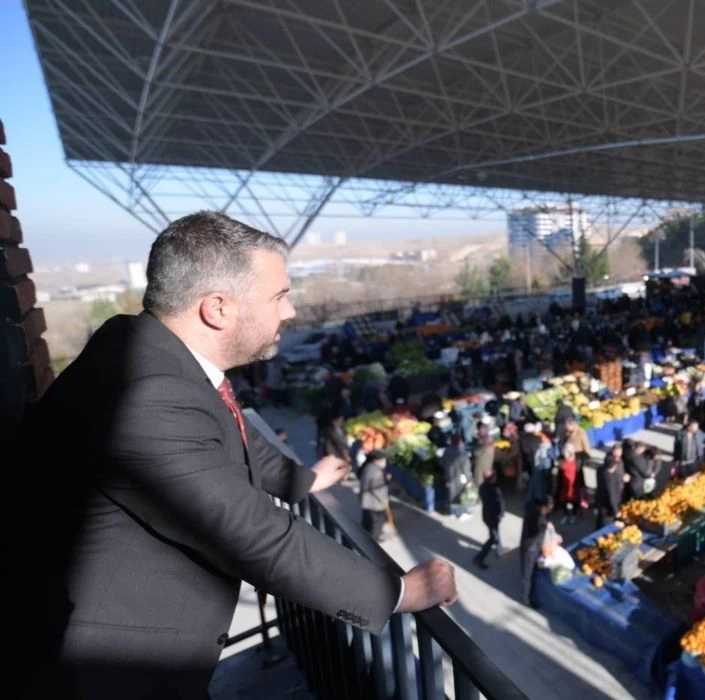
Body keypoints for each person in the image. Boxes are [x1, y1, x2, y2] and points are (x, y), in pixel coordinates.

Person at [15, 212, 456, 699]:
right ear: (218, 308)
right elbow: (256, 536)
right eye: (279, 296)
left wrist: (302, 481)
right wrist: (398, 592)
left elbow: (231, 428)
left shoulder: (150, 348)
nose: (289, 312)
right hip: (109, 674)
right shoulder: (149, 394)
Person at [520, 496, 555, 608]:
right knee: (527, 575)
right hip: (530, 549)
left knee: (532, 572)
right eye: (549, 509)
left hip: (533, 547)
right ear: (543, 506)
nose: (549, 512)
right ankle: (526, 600)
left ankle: (531, 594)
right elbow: (535, 531)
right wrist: (545, 527)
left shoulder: (537, 511)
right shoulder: (536, 517)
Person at [473, 470, 505, 570]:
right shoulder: (495, 489)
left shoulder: (482, 487)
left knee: (495, 532)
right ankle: (479, 559)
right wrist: (501, 514)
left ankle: (499, 549)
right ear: (493, 478)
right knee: (492, 538)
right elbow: (499, 504)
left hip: (486, 516)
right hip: (493, 517)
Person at [360, 450, 391, 542]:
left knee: (367, 522)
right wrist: (384, 499)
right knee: (376, 524)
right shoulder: (376, 472)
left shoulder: (368, 467)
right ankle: (374, 542)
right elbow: (378, 489)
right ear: (378, 460)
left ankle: (365, 538)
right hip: (375, 504)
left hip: (366, 502)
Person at [595, 444, 625, 530]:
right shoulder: (610, 479)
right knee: (606, 526)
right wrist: (616, 511)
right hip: (607, 508)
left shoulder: (600, 470)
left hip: (600, 501)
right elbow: (612, 497)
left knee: (599, 520)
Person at [556, 443, 582, 523]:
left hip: (574, 486)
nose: (564, 453)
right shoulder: (561, 461)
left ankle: (574, 515)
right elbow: (559, 475)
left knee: (575, 501)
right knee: (564, 501)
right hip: (564, 485)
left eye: (566, 452)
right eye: (564, 451)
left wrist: (583, 486)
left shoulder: (578, 461)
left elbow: (581, 475)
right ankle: (566, 515)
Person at [472, 418, 496, 487]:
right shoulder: (486, 439)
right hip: (486, 468)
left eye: (479, 430)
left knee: (480, 485)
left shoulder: (486, 440)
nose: (478, 432)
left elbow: (476, 452)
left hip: (482, 467)